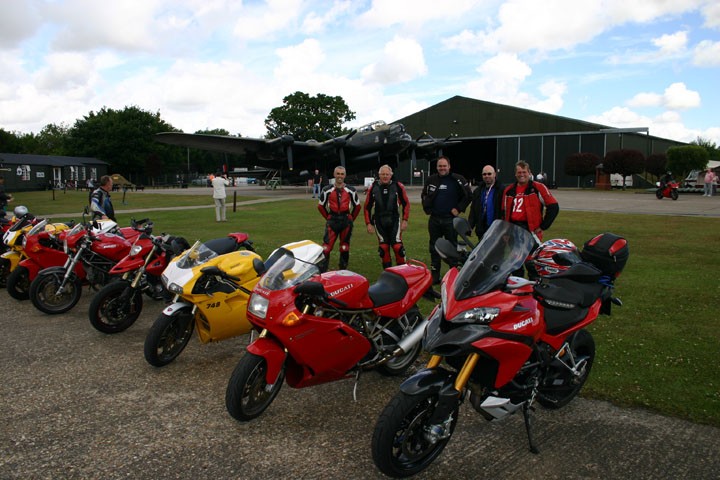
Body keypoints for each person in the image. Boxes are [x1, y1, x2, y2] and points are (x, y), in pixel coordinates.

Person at [502, 161, 559, 278]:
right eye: (519, 172)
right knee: (515, 263)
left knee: (532, 263)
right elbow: (504, 212)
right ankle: (519, 290)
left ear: (529, 173)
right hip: (513, 230)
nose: (521, 174)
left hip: (531, 231)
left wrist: (543, 226)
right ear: (515, 174)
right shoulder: (508, 190)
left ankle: (534, 289)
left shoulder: (537, 188)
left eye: (524, 172)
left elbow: (553, 207)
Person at [421, 155, 472, 284]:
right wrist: (428, 208)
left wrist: (459, 208)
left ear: (449, 166)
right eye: (440, 166)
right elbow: (424, 194)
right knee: (434, 247)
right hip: (435, 220)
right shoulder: (431, 179)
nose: (442, 168)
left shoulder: (457, 179)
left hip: (450, 220)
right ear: (437, 167)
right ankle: (435, 275)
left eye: (444, 166)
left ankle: (453, 275)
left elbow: (468, 195)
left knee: (452, 247)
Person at [364, 165, 410, 269]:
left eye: (387, 174)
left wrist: (405, 220)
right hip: (379, 222)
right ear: (379, 175)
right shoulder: (373, 187)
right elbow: (367, 207)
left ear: (391, 175)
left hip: (394, 220)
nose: (385, 176)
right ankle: (388, 274)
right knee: (383, 249)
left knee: (398, 248)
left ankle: (403, 272)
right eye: (383, 174)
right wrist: (368, 223)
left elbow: (406, 203)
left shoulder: (398, 186)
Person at [318, 166, 361, 271]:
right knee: (326, 248)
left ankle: (343, 270)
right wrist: (328, 217)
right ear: (334, 174)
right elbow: (320, 206)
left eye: (342, 174)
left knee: (344, 247)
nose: (340, 176)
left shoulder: (351, 190)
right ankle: (323, 271)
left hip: (346, 221)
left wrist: (351, 218)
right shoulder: (327, 189)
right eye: (338, 174)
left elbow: (357, 206)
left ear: (345, 175)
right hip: (332, 220)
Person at [468, 165, 504, 239]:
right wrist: (470, 226)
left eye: (489, 174)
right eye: (484, 174)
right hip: (481, 229)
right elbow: (473, 211)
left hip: (496, 229)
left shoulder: (501, 190)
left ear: (494, 174)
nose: (487, 176)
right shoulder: (478, 191)